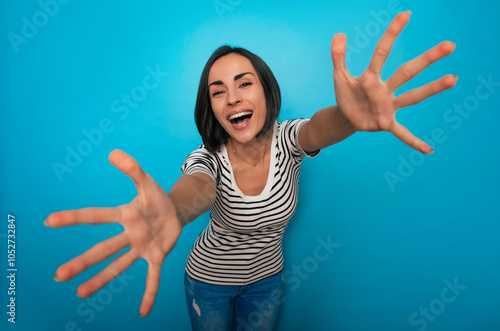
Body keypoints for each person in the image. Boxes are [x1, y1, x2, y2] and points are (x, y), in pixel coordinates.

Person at [44, 11, 456, 330]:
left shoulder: (287, 140)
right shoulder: (207, 158)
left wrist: (351, 118)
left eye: (244, 83)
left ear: (266, 90)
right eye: (217, 91)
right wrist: (171, 209)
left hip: (267, 281)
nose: (231, 98)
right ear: (211, 108)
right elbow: (196, 189)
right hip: (207, 282)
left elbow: (318, 129)